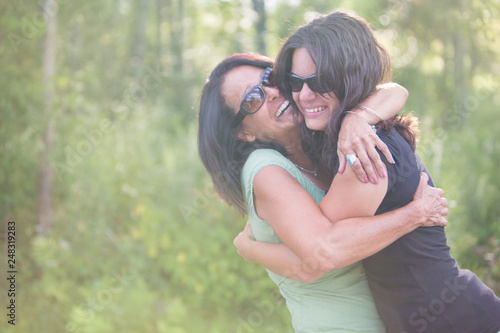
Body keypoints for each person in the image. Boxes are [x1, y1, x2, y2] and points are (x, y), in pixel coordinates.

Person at [237, 11, 500, 333]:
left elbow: (320, 253)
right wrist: (356, 117)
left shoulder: (362, 153)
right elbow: (393, 90)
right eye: (294, 82)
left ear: (351, 75)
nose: (304, 95)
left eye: (320, 81)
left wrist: (250, 248)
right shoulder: (357, 133)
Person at [198, 51, 448, 332]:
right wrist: (415, 214)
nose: (271, 92)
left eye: (269, 77)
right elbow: (320, 256)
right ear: (243, 133)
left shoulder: (320, 139)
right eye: (252, 99)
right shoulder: (264, 169)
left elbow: (395, 91)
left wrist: (356, 119)